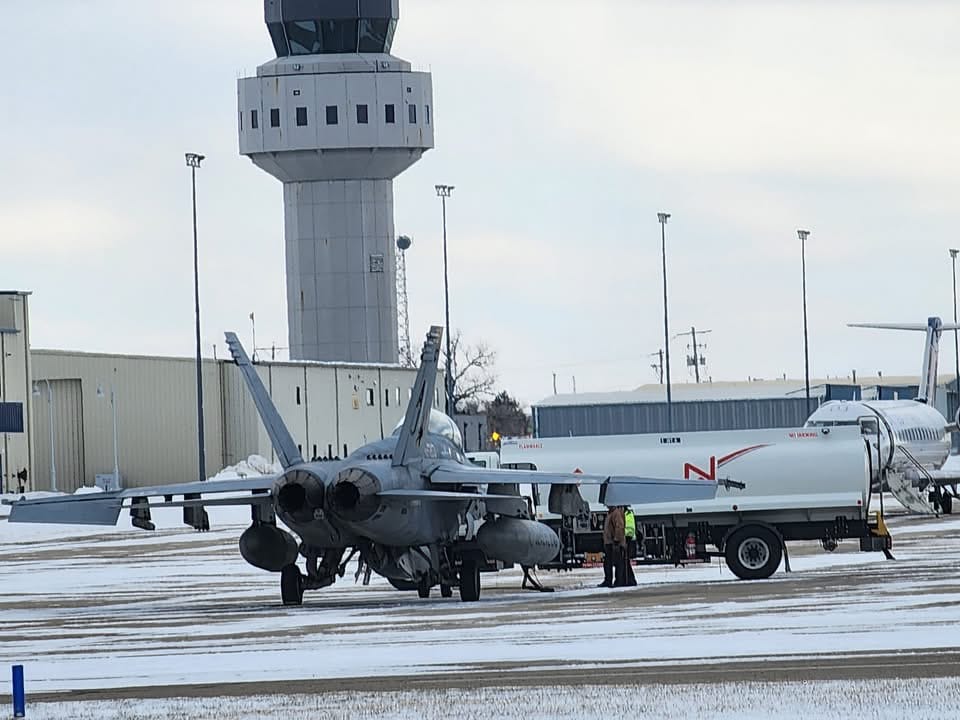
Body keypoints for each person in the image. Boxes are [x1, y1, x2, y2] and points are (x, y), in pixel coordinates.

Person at [599, 505, 626, 588]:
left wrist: (616, 540)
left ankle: (618, 581)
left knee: (617, 563)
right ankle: (609, 580)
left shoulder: (616, 513)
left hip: (614, 543)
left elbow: (619, 527)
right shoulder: (611, 513)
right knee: (608, 563)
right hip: (610, 542)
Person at [622, 506, 637, 586]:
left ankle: (630, 580)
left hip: (628, 539)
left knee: (625, 561)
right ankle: (628, 579)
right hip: (626, 538)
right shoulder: (625, 514)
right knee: (625, 561)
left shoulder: (628, 514)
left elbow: (630, 529)